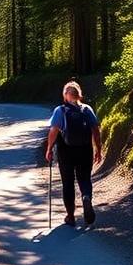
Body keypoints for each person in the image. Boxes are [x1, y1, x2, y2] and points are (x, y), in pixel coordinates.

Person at [45, 80, 102, 226]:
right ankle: (86, 197)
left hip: (66, 151)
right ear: (79, 95)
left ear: (65, 95)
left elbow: (53, 131)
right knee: (84, 178)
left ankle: (70, 216)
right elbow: (95, 130)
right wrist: (98, 149)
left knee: (68, 183)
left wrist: (49, 148)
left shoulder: (60, 110)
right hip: (85, 149)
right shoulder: (87, 109)